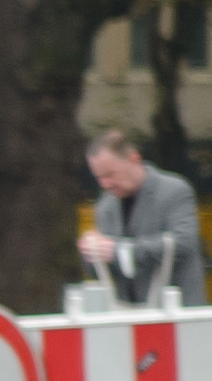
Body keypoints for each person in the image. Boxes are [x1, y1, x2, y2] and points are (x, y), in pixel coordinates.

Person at [79, 131, 204, 306]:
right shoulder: (105, 206)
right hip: (128, 315)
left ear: (134, 159)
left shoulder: (175, 190)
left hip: (177, 314)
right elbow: (102, 272)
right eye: (99, 177)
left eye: (110, 174)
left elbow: (184, 242)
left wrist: (121, 251)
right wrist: (93, 253)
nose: (105, 184)